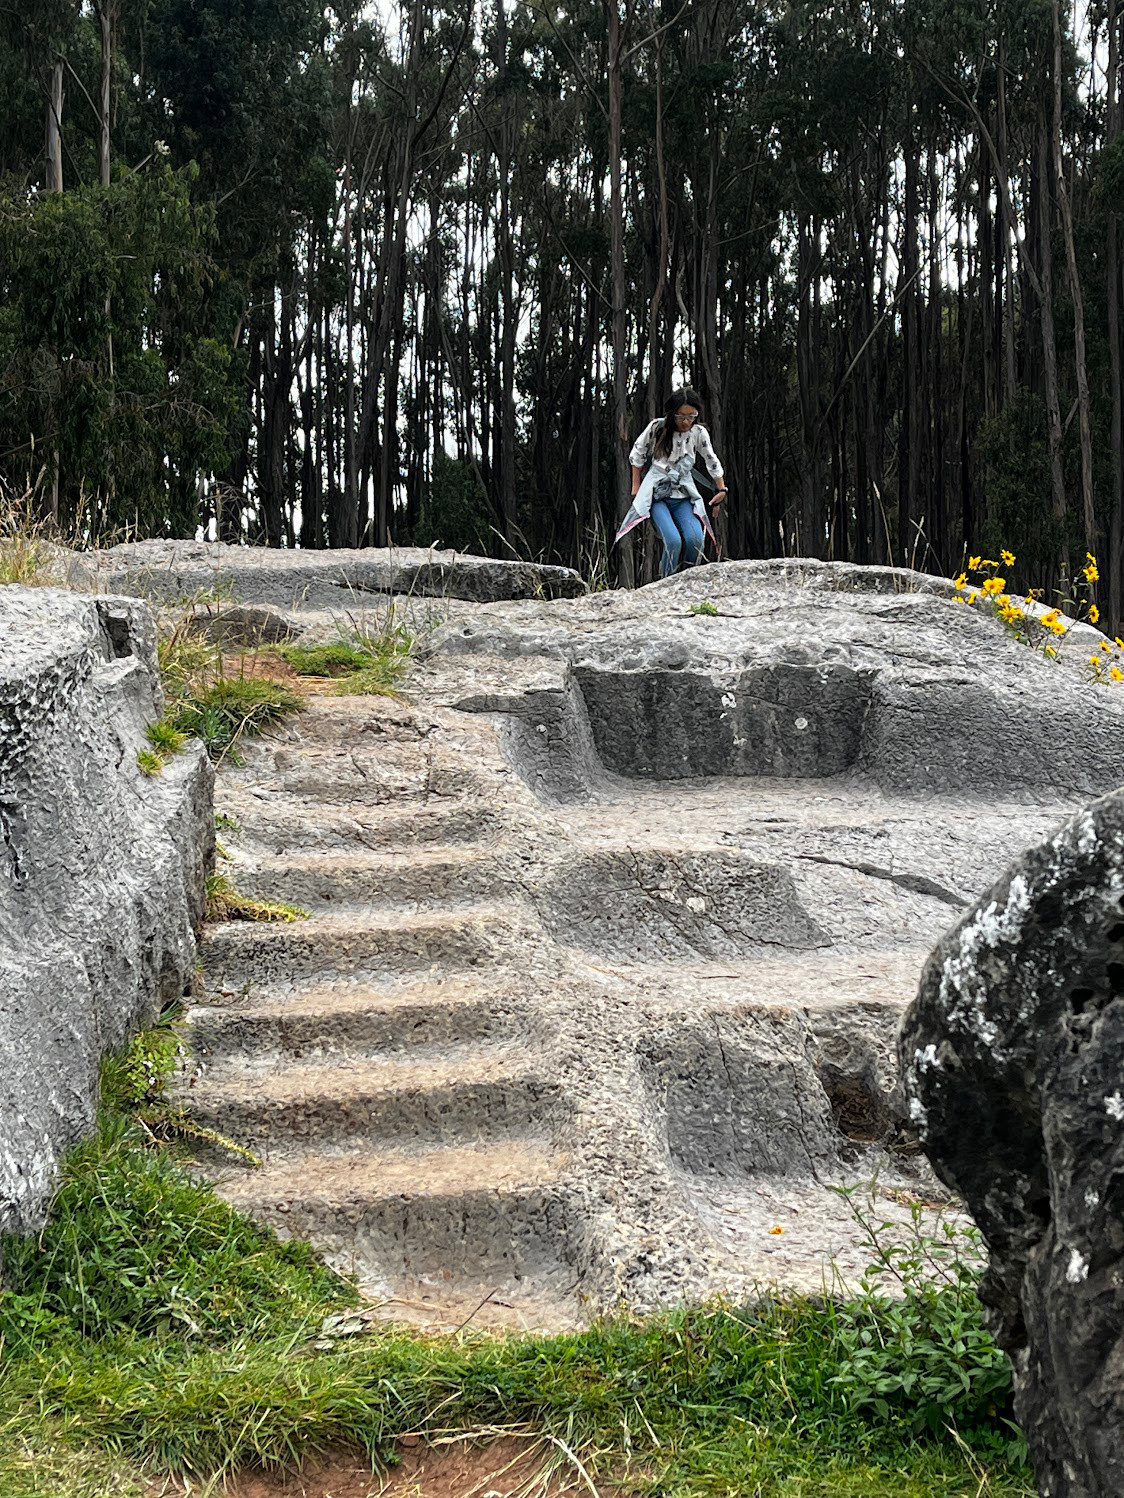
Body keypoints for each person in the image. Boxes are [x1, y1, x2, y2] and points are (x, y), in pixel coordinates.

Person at [615, 388, 729, 577]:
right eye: (680, 416)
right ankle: (666, 582)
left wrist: (721, 488)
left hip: (683, 493)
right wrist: (636, 486)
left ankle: (687, 580)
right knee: (673, 541)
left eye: (691, 416)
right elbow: (637, 453)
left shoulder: (698, 433)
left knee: (695, 540)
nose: (685, 421)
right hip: (658, 494)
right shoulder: (657, 428)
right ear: (672, 413)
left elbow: (711, 459)